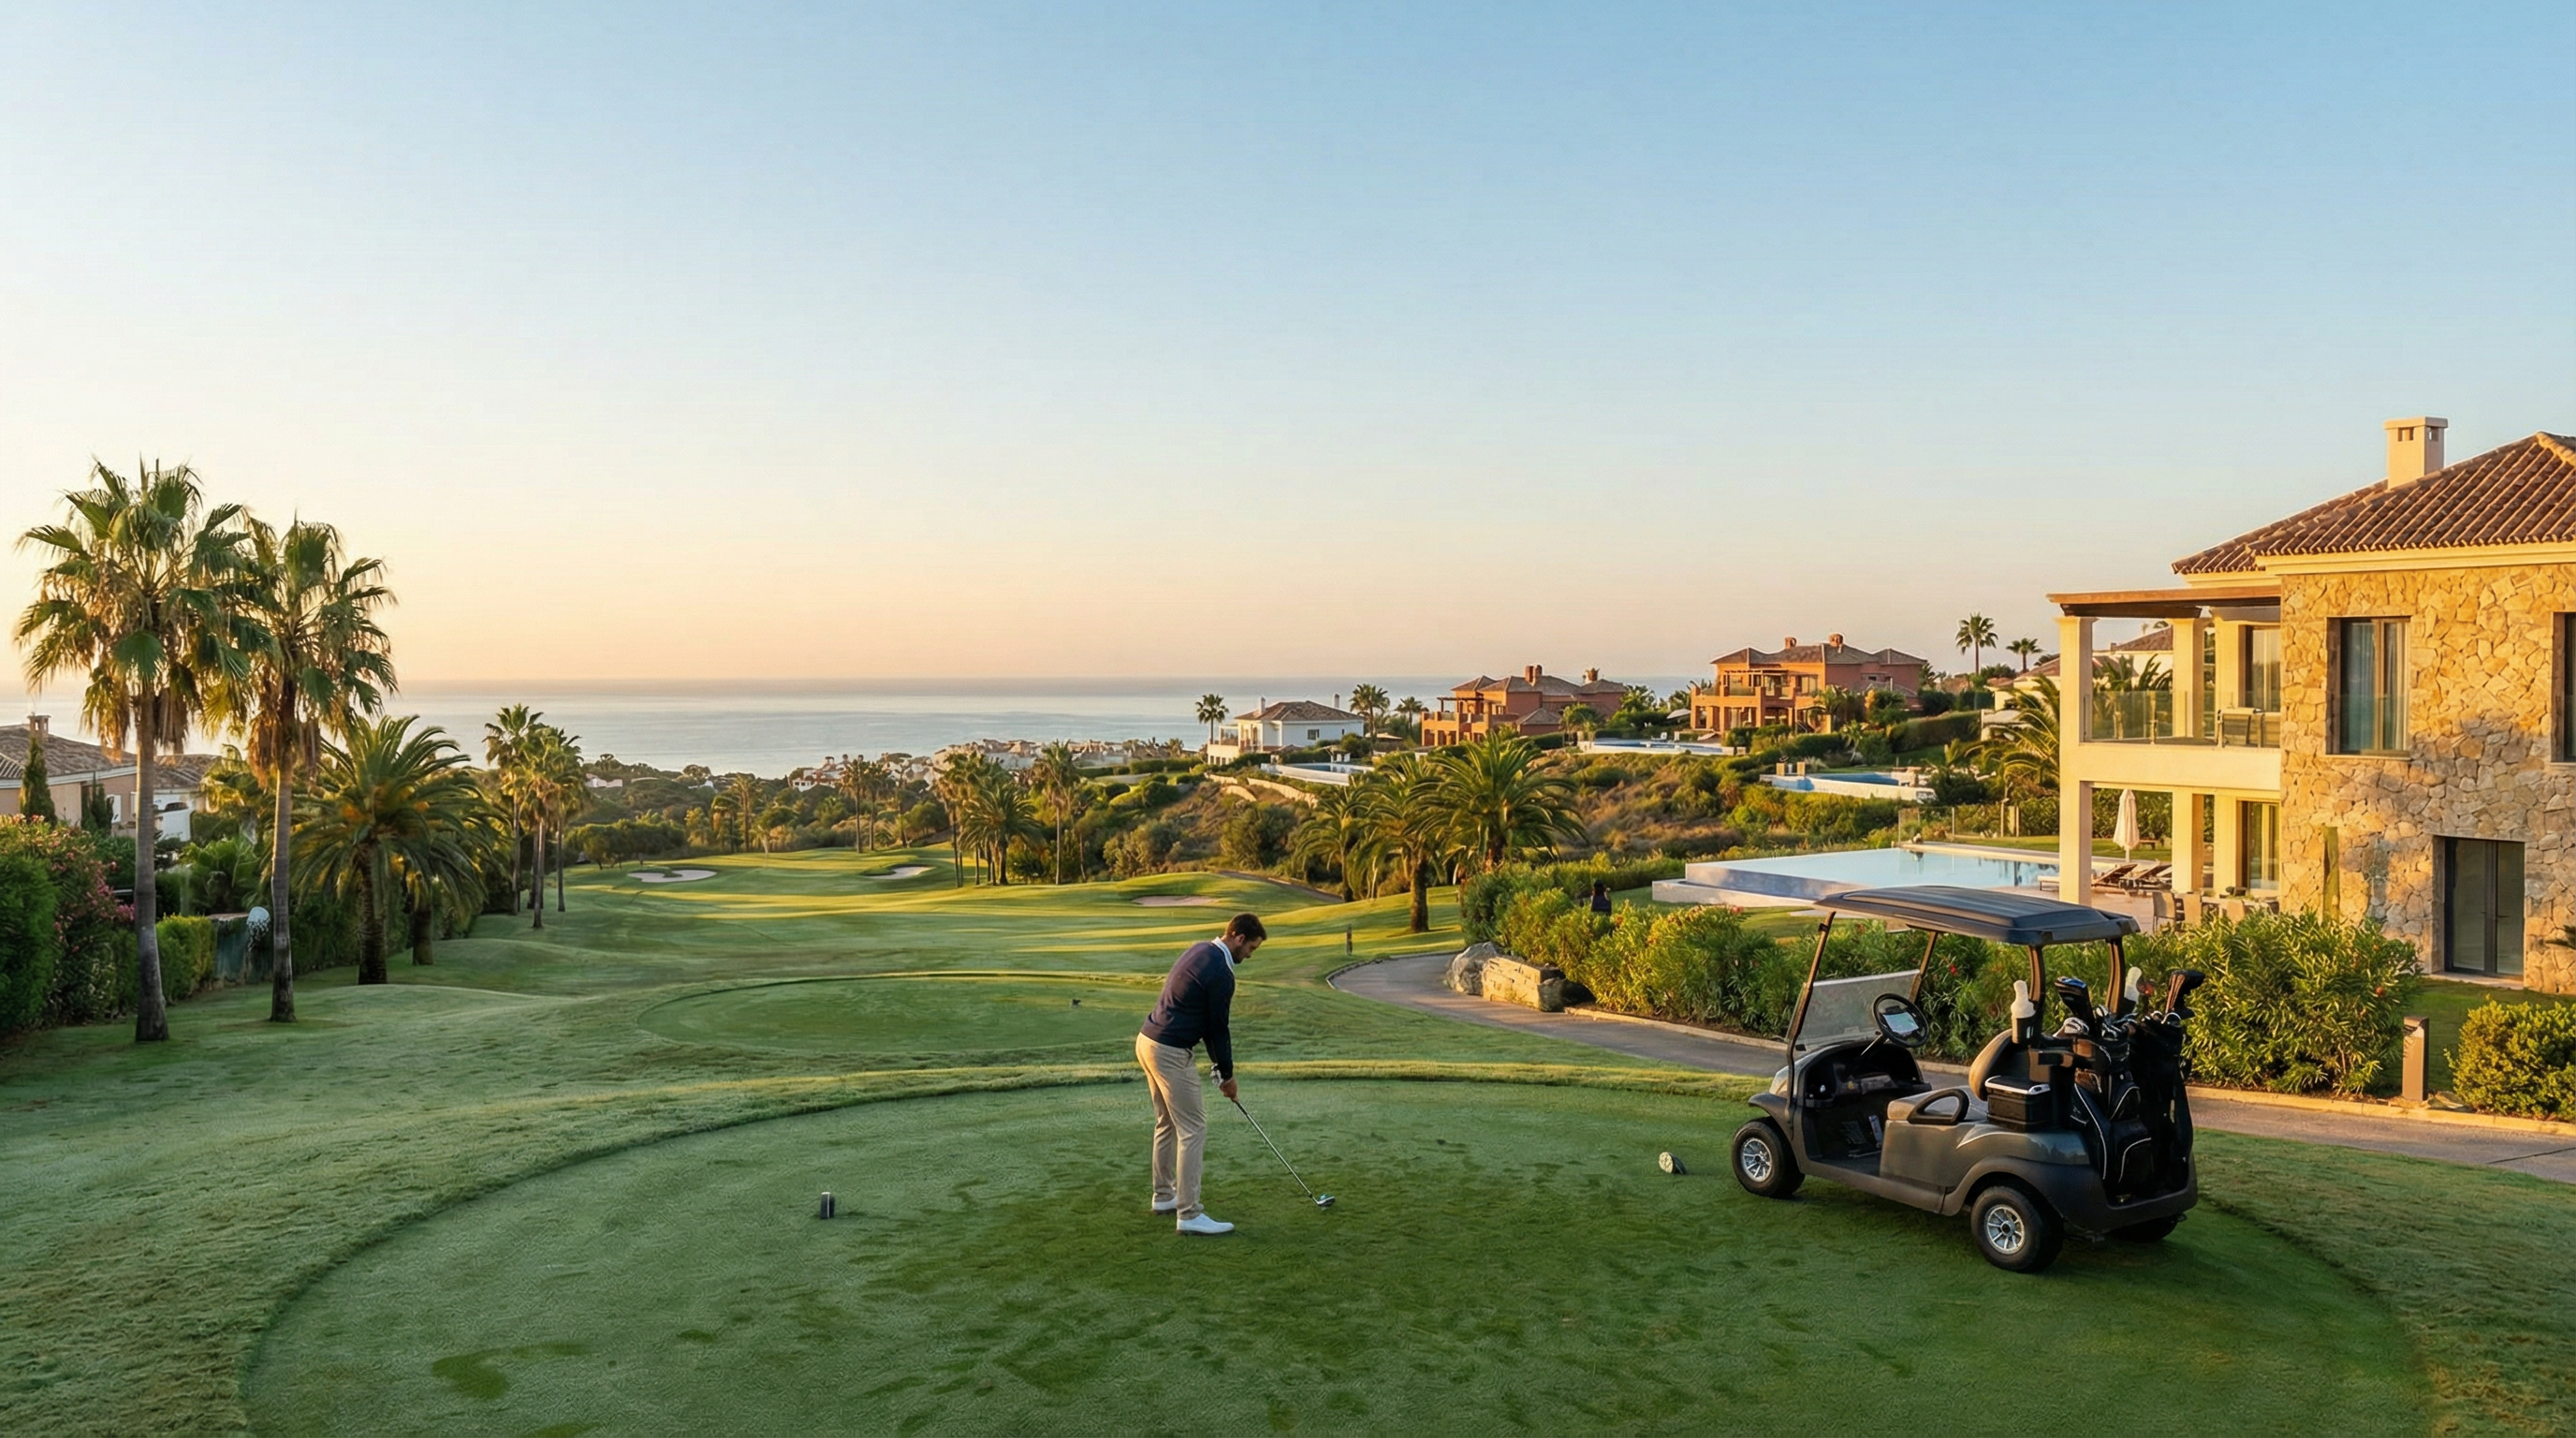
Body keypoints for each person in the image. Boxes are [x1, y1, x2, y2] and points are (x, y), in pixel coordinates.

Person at [1136, 911, 1265, 1235]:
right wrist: (1228, 1076)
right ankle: (1189, 1214)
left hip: (1147, 1041)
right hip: (1169, 1050)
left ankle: (1164, 1196)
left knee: (1167, 1122)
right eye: (1251, 948)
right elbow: (1218, 1028)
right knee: (1193, 1128)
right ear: (1238, 937)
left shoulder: (1200, 949)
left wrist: (1221, 1069)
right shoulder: (1222, 972)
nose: (1250, 955)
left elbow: (1207, 1025)